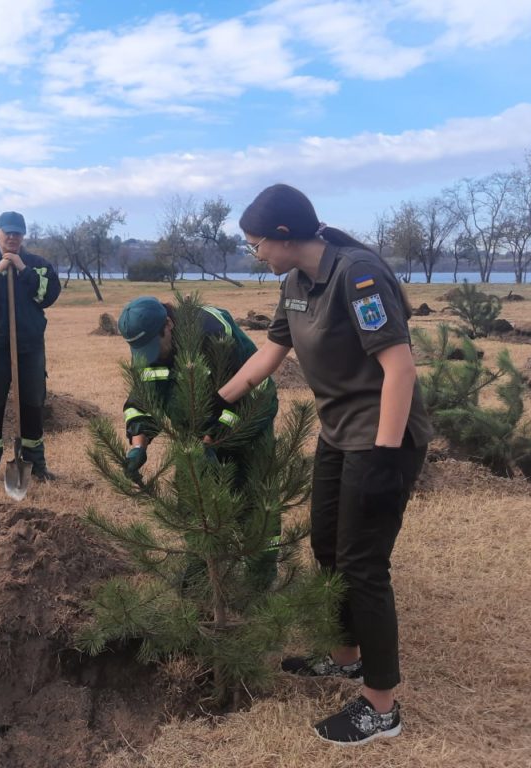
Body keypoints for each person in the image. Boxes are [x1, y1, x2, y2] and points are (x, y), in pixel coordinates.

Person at [216, 183, 432, 745]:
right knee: (326, 548)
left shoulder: (357, 275)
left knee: (364, 565)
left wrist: (386, 457)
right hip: (339, 434)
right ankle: (345, 656)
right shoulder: (295, 283)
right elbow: (271, 352)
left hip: (382, 436)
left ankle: (381, 707)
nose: (255, 253)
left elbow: (400, 369)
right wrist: (219, 400)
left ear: (285, 236)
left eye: (257, 243)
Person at [118, 295, 279, 586]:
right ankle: (203, 576)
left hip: (248, 412)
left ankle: (260, 581)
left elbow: (244, 393)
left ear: (168, 324)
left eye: (155, 345)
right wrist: (138, 446)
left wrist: (212, 440)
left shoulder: (211, 334)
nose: (150, 356)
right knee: (196, 504)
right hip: (196, 436)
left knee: (257, 504)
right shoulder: (149, 353)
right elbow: (143, 400)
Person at [0, 211, 61, 490]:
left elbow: (48, 295)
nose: (12, 237)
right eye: (7, 232)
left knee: (32, 406)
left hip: (29, 348)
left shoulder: (38, 266)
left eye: (17, 232)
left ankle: (36, 465)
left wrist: (21, 268)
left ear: (23, 236)